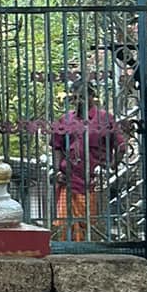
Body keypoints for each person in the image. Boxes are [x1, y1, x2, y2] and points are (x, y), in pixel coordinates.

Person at [50, 89, 125, 243]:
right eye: (75, 97)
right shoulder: (65, 120)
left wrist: (113, 165)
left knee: (89, 221)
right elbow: (56, 146)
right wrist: (57, 170)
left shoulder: (105, 119)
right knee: (65, 221)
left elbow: (121, 145)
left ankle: (87, 248)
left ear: (92, 97)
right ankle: (68, 250)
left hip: (93, 180)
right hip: (68, 179)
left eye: (82, 97)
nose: (79, 101)